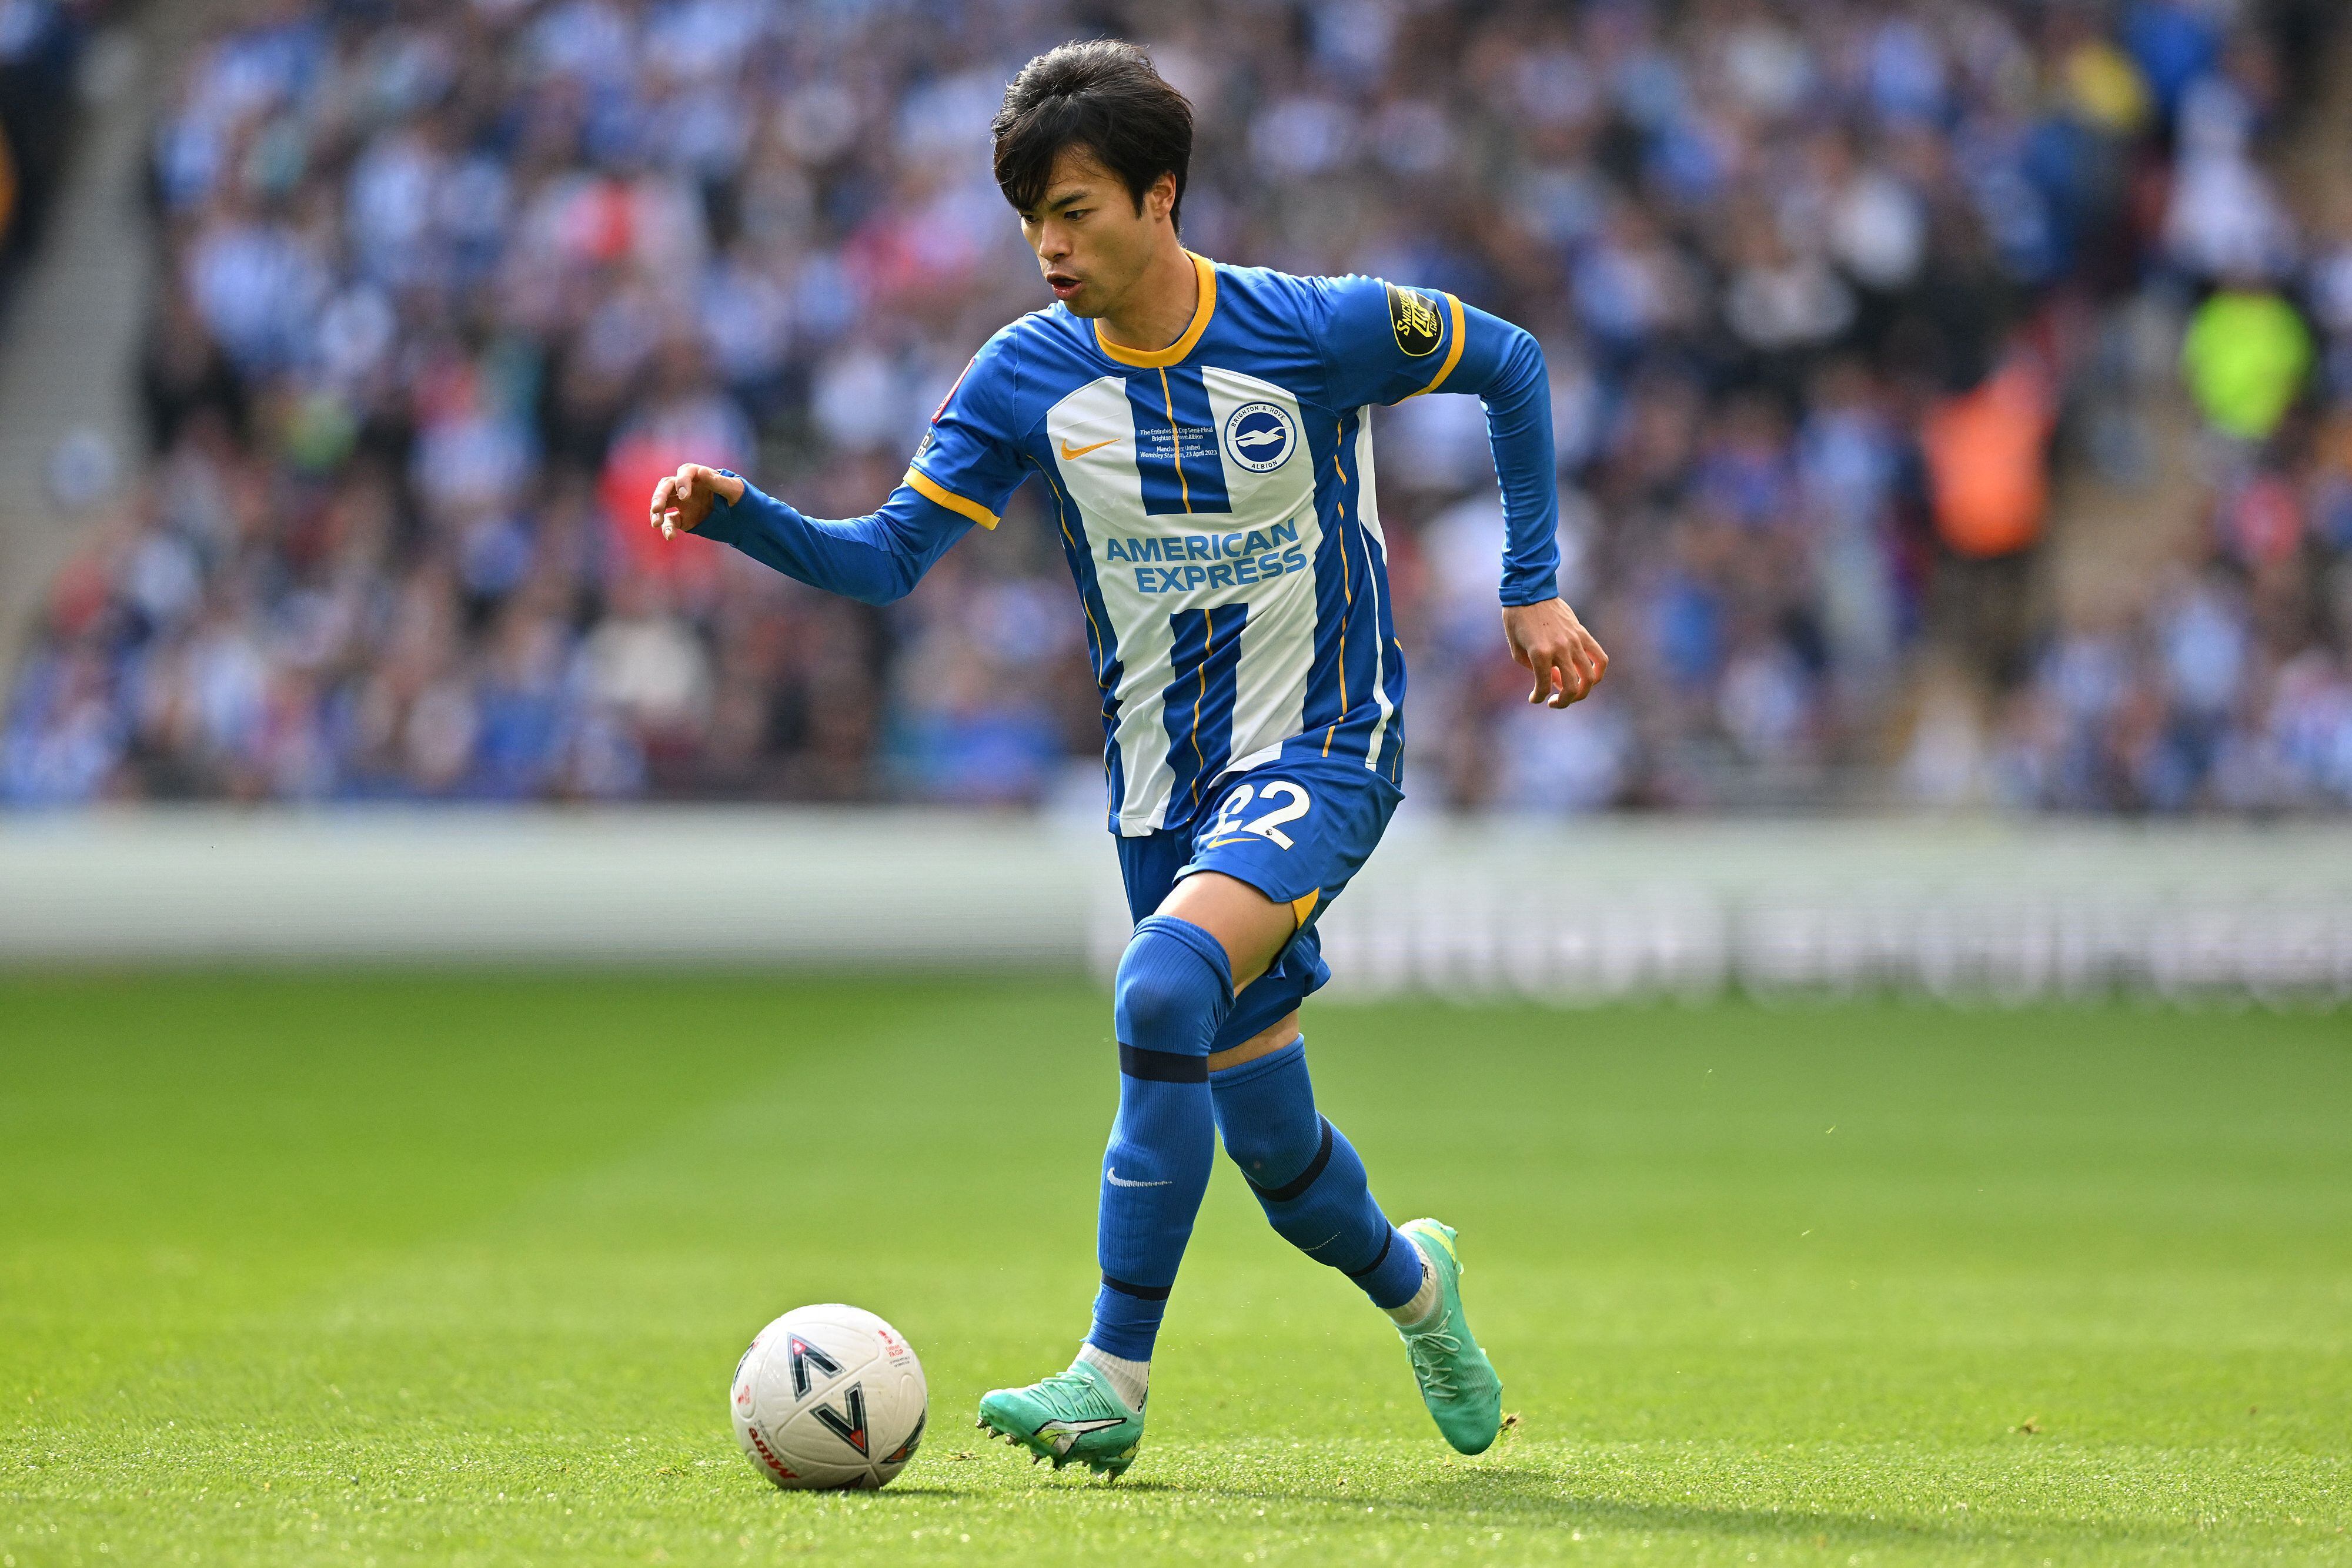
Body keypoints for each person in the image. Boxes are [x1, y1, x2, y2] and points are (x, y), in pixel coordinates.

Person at [649, 40, 1608, 1477]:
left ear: (1161, 198)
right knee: (1277, 1157)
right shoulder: (1022, 377)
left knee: (1159, 978)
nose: (1047, 243)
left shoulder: (1313, 327)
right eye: (1030, 214)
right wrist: (741, 517)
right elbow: (888, 559)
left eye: (1076, 208)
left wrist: (1529, 580)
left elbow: (1510, 363)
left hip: (1325, 741)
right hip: (1161, 792)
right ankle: (1418, 1286)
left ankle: (1111, 1371)